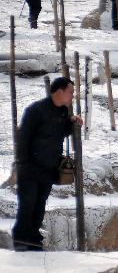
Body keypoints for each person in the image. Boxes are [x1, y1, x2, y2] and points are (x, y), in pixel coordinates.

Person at [13, 77, 83, 251]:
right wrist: (24, 165)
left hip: (48, 169)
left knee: (39, 206)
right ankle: (22, 241)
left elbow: (60, 131)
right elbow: (23, 140)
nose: (72, 96)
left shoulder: (62, 112)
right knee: (27, 205)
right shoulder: (35, 111)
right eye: (70, 92)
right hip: (30, 169)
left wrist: (73, 123)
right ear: (59, 92)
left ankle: (34, 239)